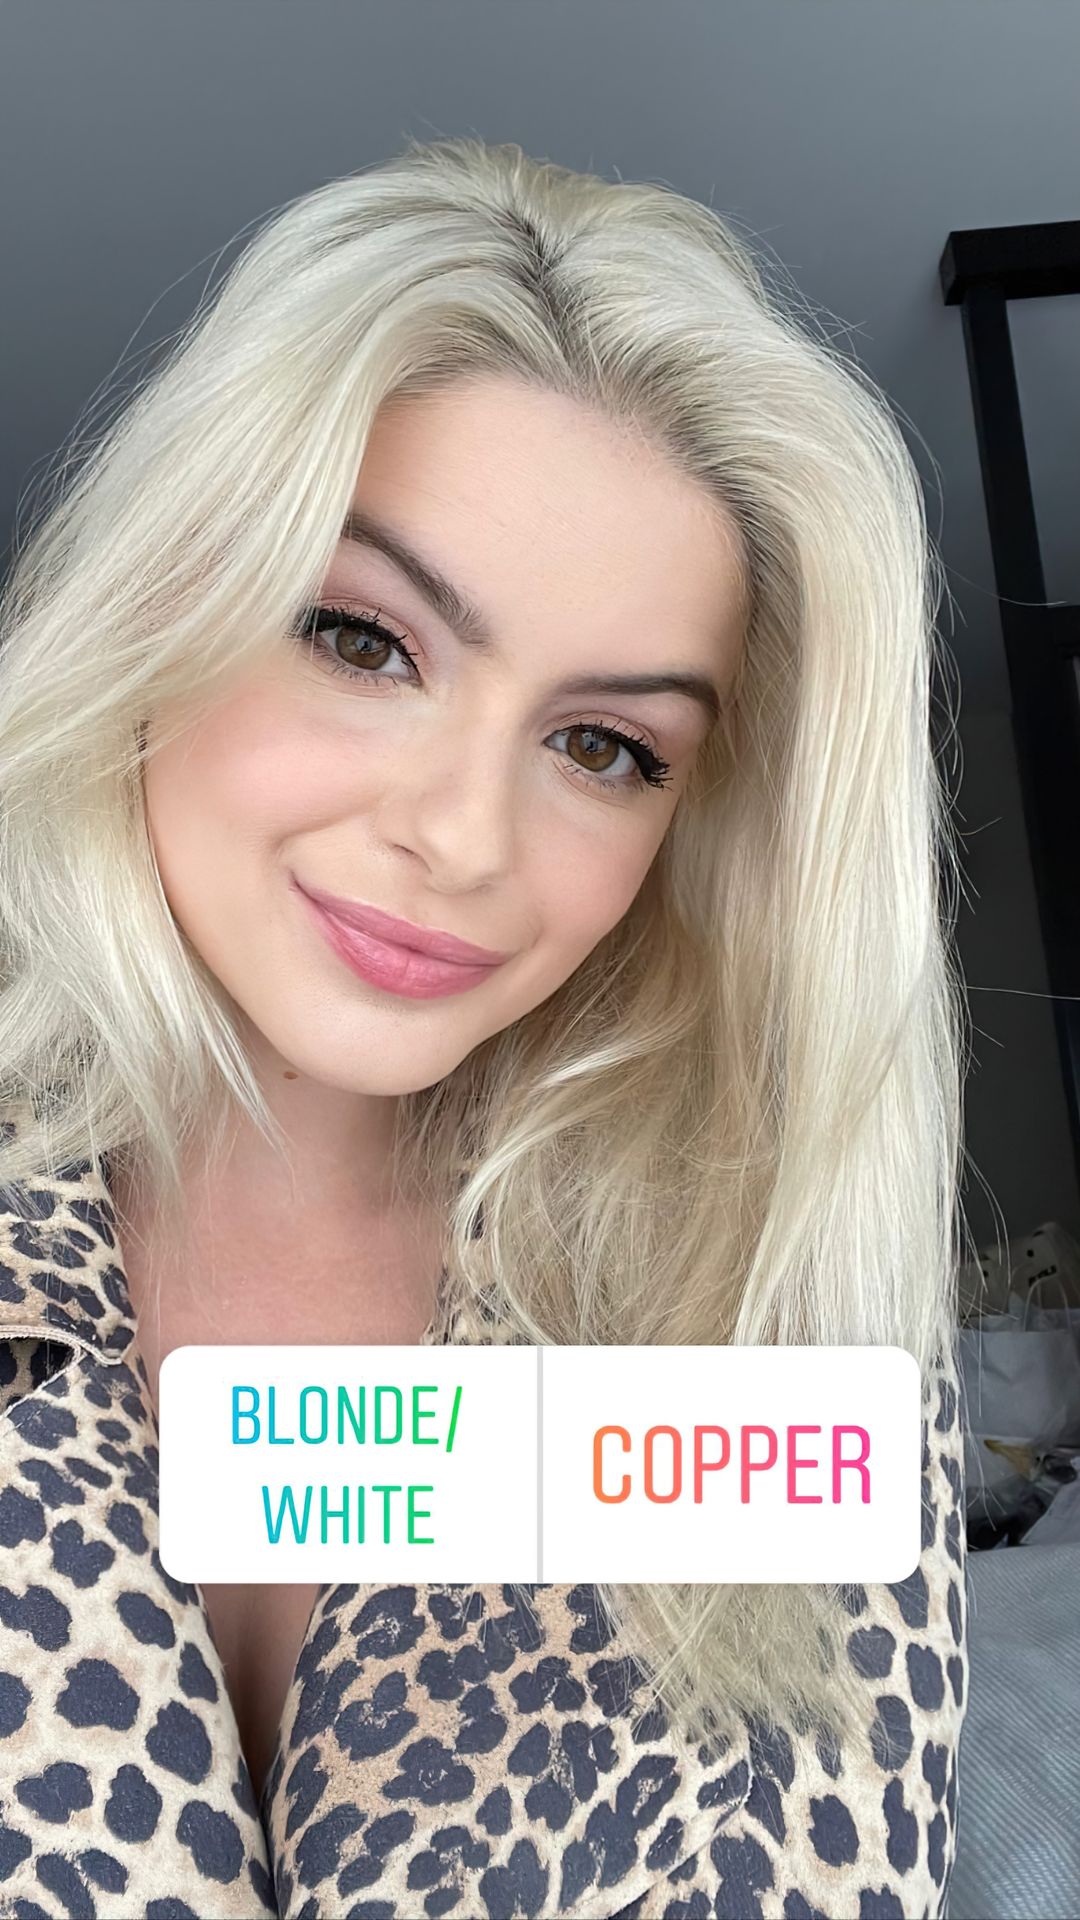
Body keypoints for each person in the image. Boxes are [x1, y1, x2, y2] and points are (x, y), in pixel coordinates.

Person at [0, 137, 969, 1918]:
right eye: (362, 640)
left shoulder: (762, 1305)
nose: (461, 838)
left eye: (604, 747)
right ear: (163, 598)